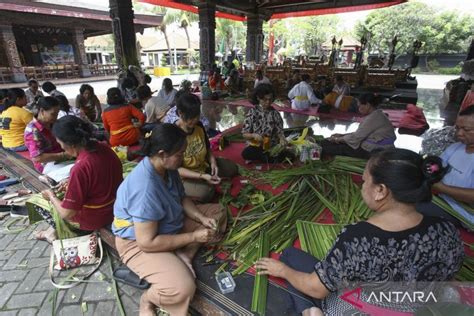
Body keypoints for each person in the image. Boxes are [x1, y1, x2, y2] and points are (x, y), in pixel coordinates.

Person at [256, 148, 464, 315]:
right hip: (419, 308)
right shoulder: (446, 229)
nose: (362, 186)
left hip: (364, 310)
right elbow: (449, 275)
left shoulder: (359, 238)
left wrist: (282, 271)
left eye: (364, 181)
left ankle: (312, 311)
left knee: (291, 258)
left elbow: (316, 288)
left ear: (381, 191)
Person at [112, 123, 226, 315]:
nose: (182, 158)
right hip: (137, 243)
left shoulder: (167, 167)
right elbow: (147, 242)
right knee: (183, 287)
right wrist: (193, 237)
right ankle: (147, 300)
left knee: (218, 213)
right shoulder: (145, 189)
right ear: (163, 153)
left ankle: (184, 256)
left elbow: (181, 198)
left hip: (167, 224)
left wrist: (200, 217)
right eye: (180, 154)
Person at [38, 116, 123, 242]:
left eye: (61, 144)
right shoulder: (104, 147)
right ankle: (51, 231)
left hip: (95, 219)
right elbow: (98, 179)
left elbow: (67, 213)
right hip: (115, 208)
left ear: (71, 144)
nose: (62, 148)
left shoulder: (80, 167)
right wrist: (70, 183)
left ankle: (57, 232)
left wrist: (51, 196)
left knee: (38, 202)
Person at [417, 106, 474, 228]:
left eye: (466, 129)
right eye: (457, 128)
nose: (459, 133)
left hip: (463, 213)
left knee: (409, 207)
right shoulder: (456, 147)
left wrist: (441, 188)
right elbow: (437, 168)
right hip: (442, 199)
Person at [175, 93, 238, 202]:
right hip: (185, 176)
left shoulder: (198, 126)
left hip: (203, 167)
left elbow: (208, 149)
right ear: (180, 113)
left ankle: (207, 178)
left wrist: (213, 163)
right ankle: (199, 185)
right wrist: (201, 176)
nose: (195, 120)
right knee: (207, 192)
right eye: (191, 117)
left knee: (232, 168)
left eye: (197, 116)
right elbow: (177, 169)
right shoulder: (174, 133)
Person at [321, 93, 396, 159]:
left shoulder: (373, 118)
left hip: (376, 150)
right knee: (327, 143)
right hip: (372, 145)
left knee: (332, 148)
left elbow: (356, 137)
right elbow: (361, 133)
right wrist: (342, 135)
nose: (359, 109)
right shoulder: (376, 114)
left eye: (360, 106)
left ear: (367, 105)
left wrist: (337, 139)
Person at [241, 84, 291, 163]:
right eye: (264, 99)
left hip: (271, 146)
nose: (268, 102)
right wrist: (253, 135)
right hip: (256, 146)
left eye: (270, 99)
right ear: (258, 98)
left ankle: (266, 157)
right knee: (245, 153)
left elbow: (279, 132)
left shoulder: (275, 114)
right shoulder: (252, 112)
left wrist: (282, 139)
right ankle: (267, 158)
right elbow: (244, 134)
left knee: (288, 154)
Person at [24, 97, 70, 173]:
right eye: (53, 114)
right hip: (46, 164)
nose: (56, 117)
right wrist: (64, 155)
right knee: (77, 170)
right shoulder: (32, 130)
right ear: (42, 111)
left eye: (57, 114)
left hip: (61, 157)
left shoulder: (52, 123)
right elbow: (37, 158)